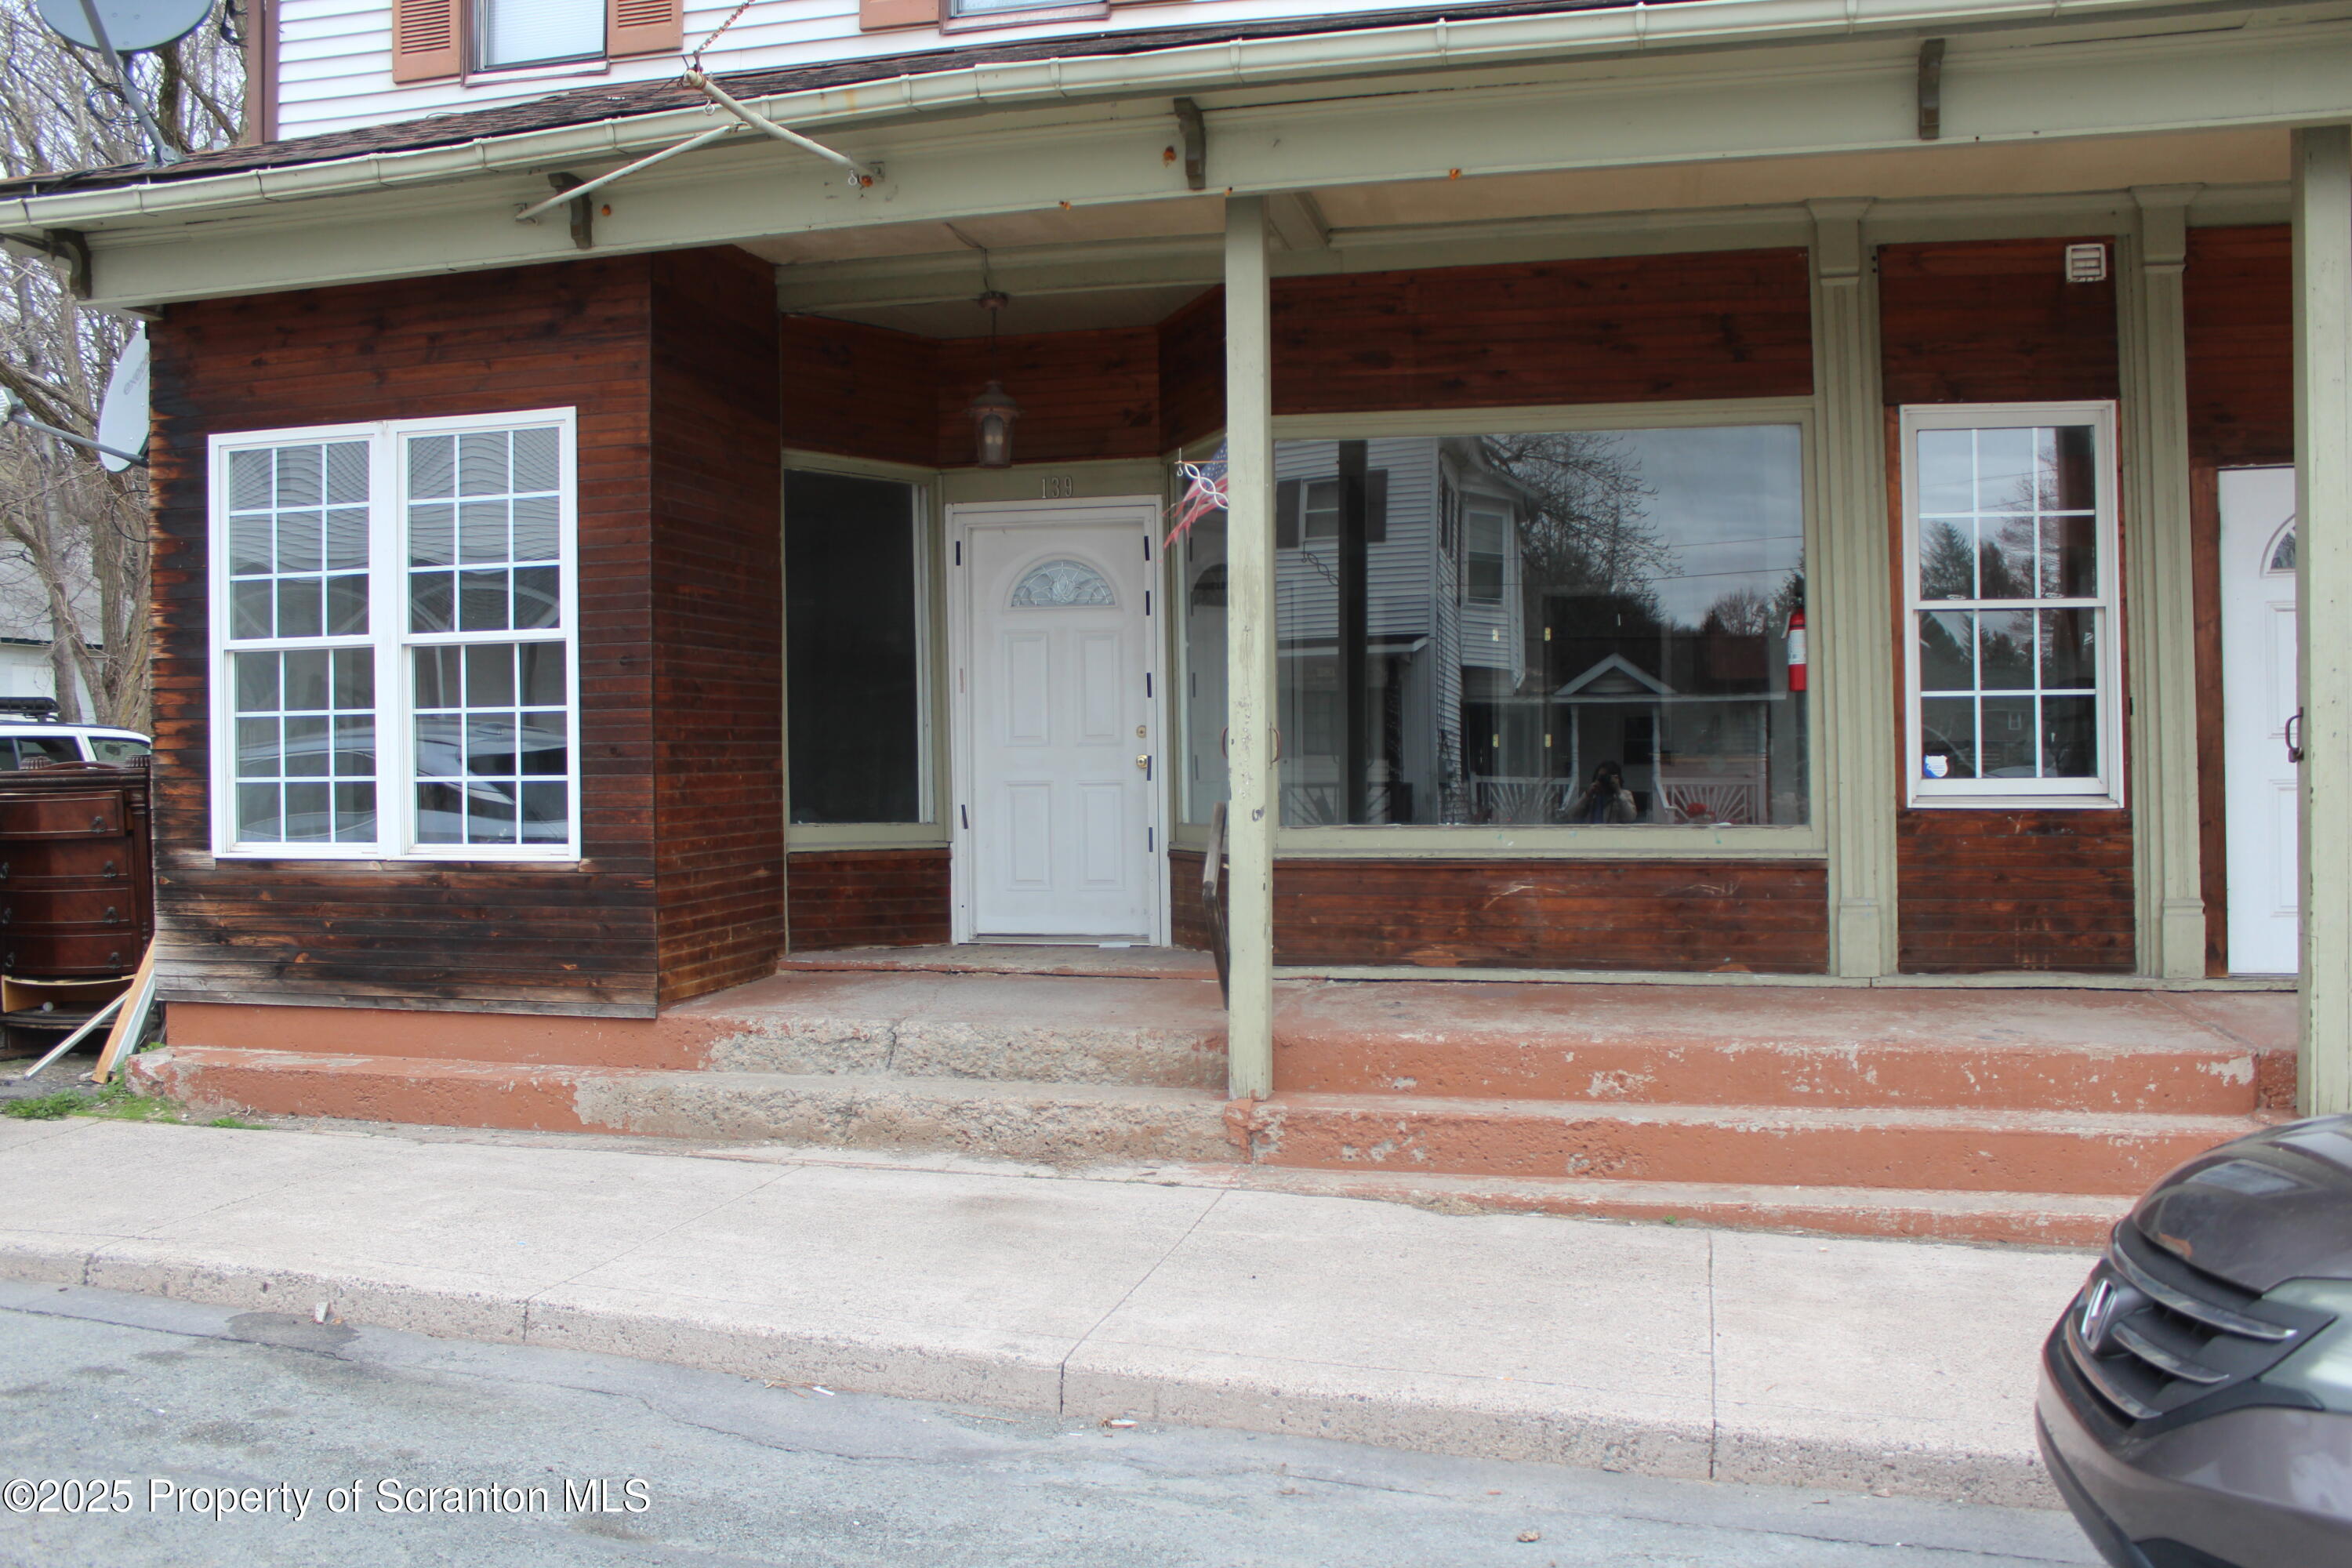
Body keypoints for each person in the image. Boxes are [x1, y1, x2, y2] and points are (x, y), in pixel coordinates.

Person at [1567, 760, 1637, 824]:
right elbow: (1573, 817)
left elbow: (1630, 818)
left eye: (1606, 777)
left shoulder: (1625, 795)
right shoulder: (1591, 795)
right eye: (1601, 777)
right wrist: (1587, 796)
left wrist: (1618, 792)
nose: (1603, 781)